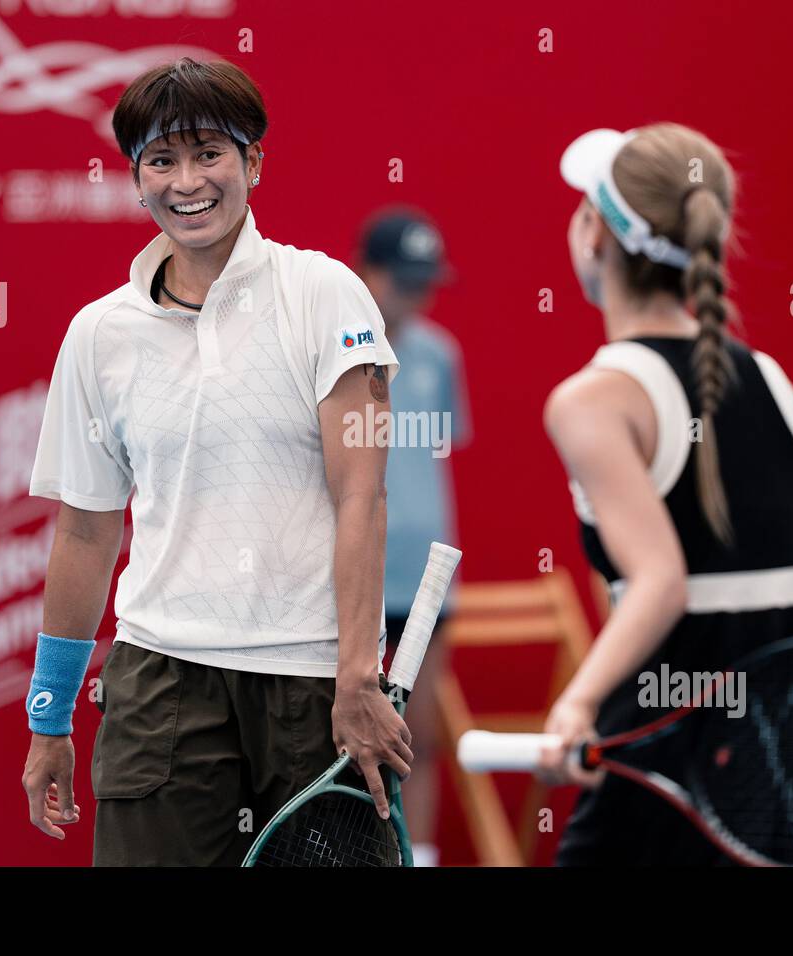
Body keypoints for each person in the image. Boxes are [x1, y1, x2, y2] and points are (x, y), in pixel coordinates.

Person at [20, 57, 410, 866]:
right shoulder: (98, 334)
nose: (186, 181)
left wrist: (356, 678)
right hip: (158, 684)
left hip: (314, 686)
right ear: (135, 178)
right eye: (161, 160)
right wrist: (49, 714)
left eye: (209, 154)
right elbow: (87, 534)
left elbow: (362, 501)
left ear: (254, 164)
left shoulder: (327, 296)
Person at [537, 123, 793, 864]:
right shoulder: (776, 381)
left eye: (580, 209)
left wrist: (576, 704)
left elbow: (660, 581)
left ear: (595, 236)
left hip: (670, 761)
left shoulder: (592, 400)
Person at [355, 208, 470, 867]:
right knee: (354, 731)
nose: (417, 297)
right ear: (367, 274)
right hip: (356, 573)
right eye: (404, 281)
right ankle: (358, 852)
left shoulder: (438, 354)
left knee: (419, 732)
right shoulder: (335, 352)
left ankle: (417, 856)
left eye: (426, 283)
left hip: (427, 577)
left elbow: (436, 456)